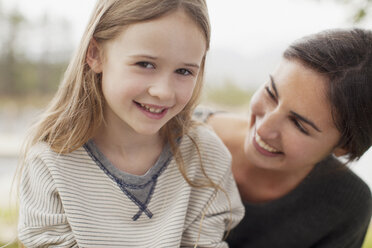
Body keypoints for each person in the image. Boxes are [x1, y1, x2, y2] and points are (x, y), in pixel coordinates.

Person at [17, 0, 244, 247]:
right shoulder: (50, 163)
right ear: (95, 54)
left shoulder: (206, 157)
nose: (164, 92)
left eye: (184, 71)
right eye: (145, 64)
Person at [195, 28, 372, 247]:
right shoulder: (175, 135)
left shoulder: (346, 204)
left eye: (298, 124)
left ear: (345, 146)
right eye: (271, 93)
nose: (264, 128)